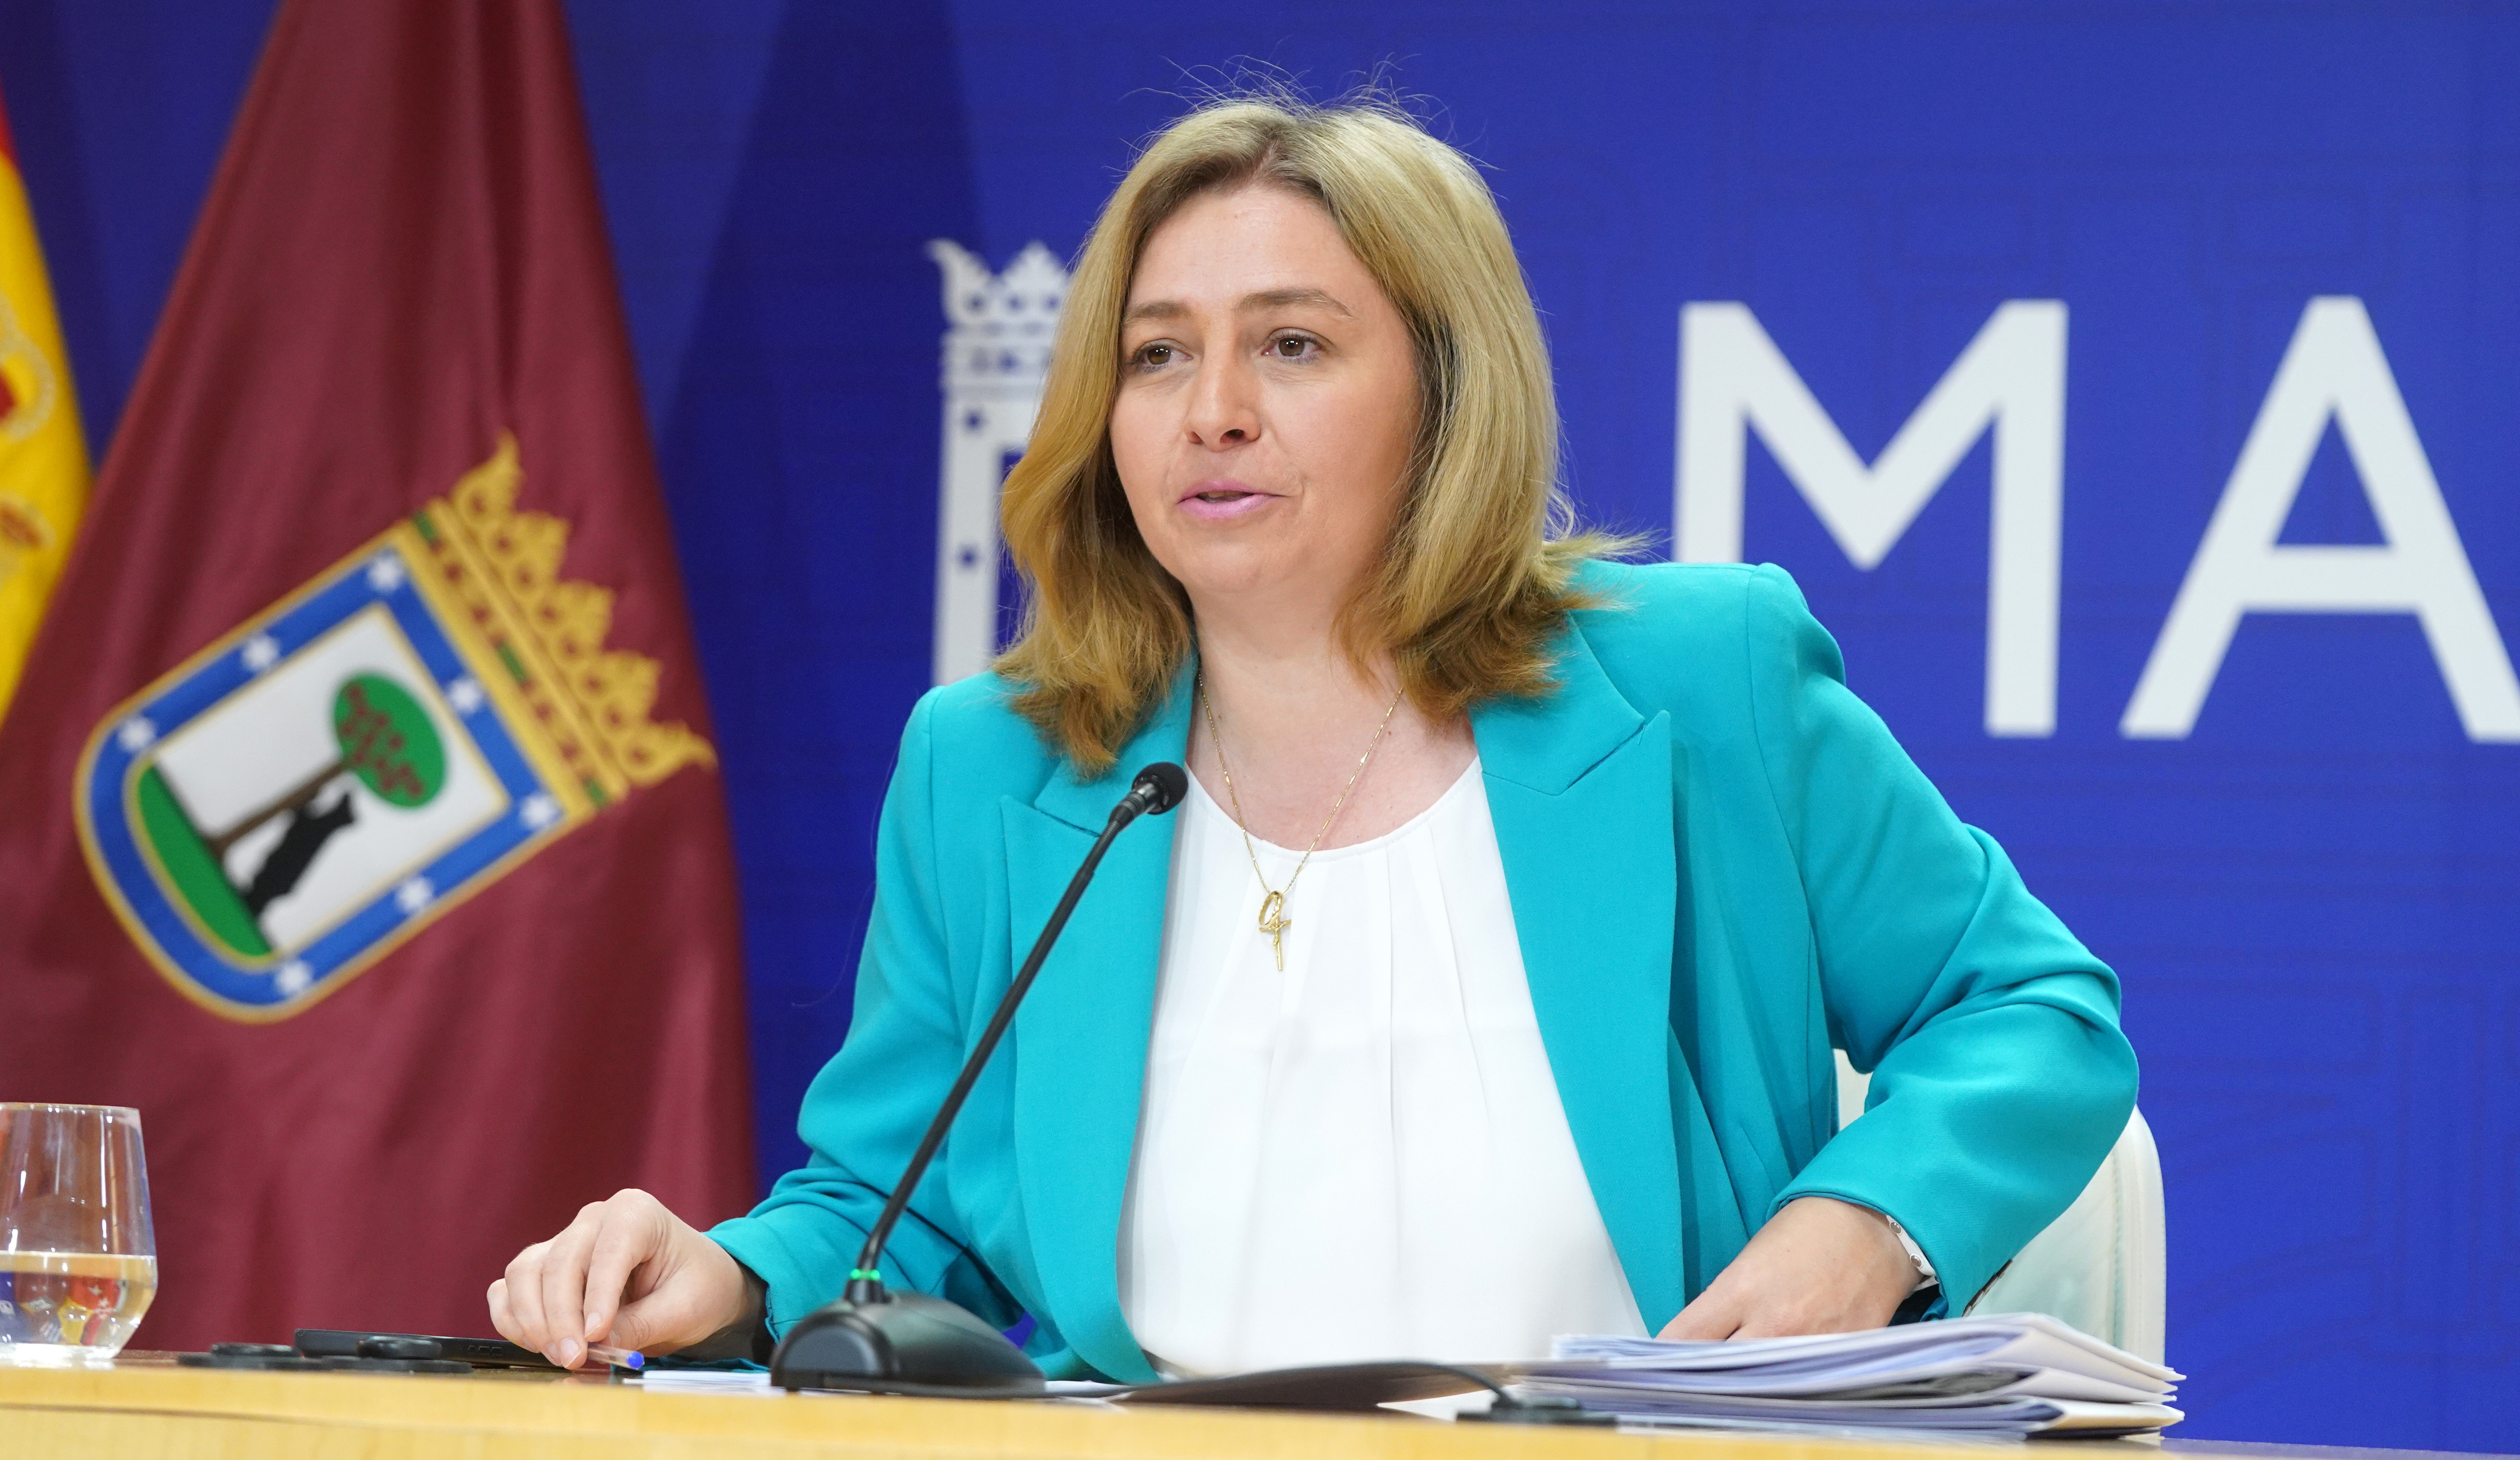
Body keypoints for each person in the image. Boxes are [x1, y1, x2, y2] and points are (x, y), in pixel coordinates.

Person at [487, 94, 2136, 1380]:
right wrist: (726, 1275)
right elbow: (889, 1211)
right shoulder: (997, 766)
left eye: (1291, 345)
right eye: (1157, 356)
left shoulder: (1705, 686)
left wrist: (1866, 1223)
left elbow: (2031, 1008)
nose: (1212, 411)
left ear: (1445, 393)